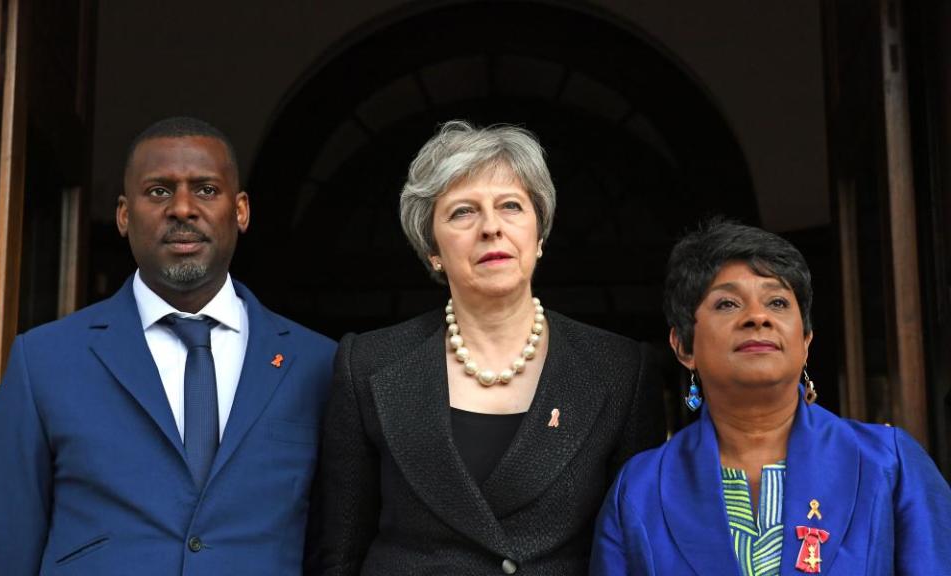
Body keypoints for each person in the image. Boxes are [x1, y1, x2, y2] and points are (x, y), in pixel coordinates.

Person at [316, 120, 666, 575]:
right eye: (463, 211)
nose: (491, 228)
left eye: (511, 206)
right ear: (432, 250)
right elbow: (340, 552)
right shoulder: (367, 364)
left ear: (538, 236)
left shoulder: (619, 369)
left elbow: (636, 548)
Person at [0, 117, 336, 575]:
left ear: (242, 211)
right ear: (122, 214)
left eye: (207, 190)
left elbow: (336, 545)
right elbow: (7, 546)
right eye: (158, 191)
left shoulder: (319, 365)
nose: (182, 209)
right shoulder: (45, 361)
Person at [591, 220, 951, 575]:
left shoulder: (889, 465)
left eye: (777, 302)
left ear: (806, 341)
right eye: (728, 304)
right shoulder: (639, 490)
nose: (758, 317)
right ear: (684, 346)